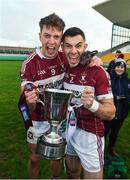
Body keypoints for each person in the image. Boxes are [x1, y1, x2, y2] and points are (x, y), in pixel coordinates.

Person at [61, 27, 116, 179]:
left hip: (90, 134)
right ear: (62, 47)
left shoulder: (97, 71)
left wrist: (92, 104)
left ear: (85, 46)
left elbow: (111, 112)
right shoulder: (62, 67)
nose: (73, 51)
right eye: (68, 46)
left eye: (78, 46)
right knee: (72, 173)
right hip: (68, 129)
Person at [18, 13, 67, 179]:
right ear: (40, 37)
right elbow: (24, 102)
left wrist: (94, 59)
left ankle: (55, 178)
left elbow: (83, 59)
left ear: (61, 39)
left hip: (59, 118)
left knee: (57, 156)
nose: (51, 42)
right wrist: (30, 101)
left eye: (56, 37)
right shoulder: (30, 63)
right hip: (37, 120)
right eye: (47, 35)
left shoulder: (65, 57)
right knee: (34, 158)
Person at [104, 59, 130, 156]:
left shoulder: (127, 81)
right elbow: (104, 93)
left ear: (124, 68)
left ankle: (111, 148)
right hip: (109, 111)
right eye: (118, 67)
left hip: (121, 111)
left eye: (122, 67)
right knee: (105, 131)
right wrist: (115, 97)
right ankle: (101, 149)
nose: (120, 69)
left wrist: (125, 97)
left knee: (115, 132)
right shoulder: (109, 79)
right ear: (114, 67)